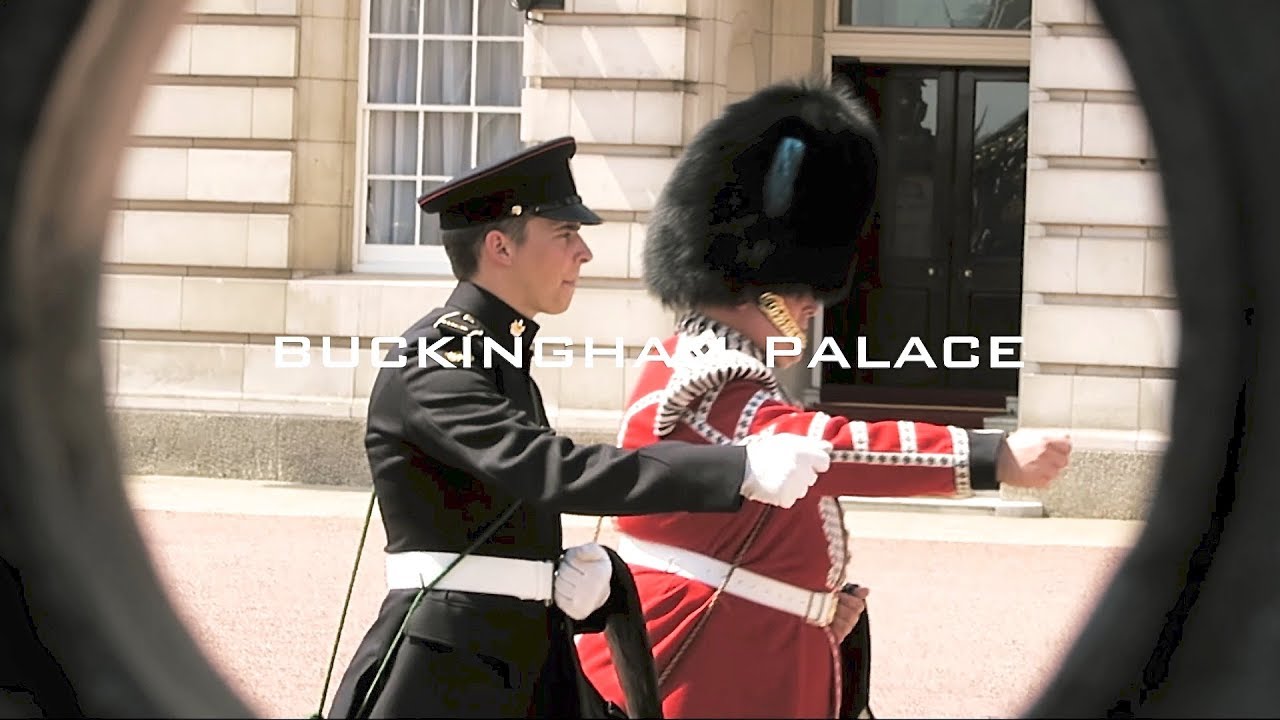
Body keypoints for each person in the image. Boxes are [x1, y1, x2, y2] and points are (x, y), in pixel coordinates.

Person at [574, 80, 1073, 719]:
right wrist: (989, 456)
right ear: (756, 280)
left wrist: (809, 598)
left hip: (750, 643)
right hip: (713, 661)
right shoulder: (708, 378)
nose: (810, 308)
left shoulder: (702, 361)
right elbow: (823, 449)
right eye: (800, 290)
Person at [324, 136, 836, 719]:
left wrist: (561, 575)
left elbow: (495, 511)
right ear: (500, 246)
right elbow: (549, 468)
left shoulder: (495, 354)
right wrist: (740, 467)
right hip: (446, 669)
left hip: (513, 656)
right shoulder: (436, 363)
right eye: (564, 234)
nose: (584, 252)